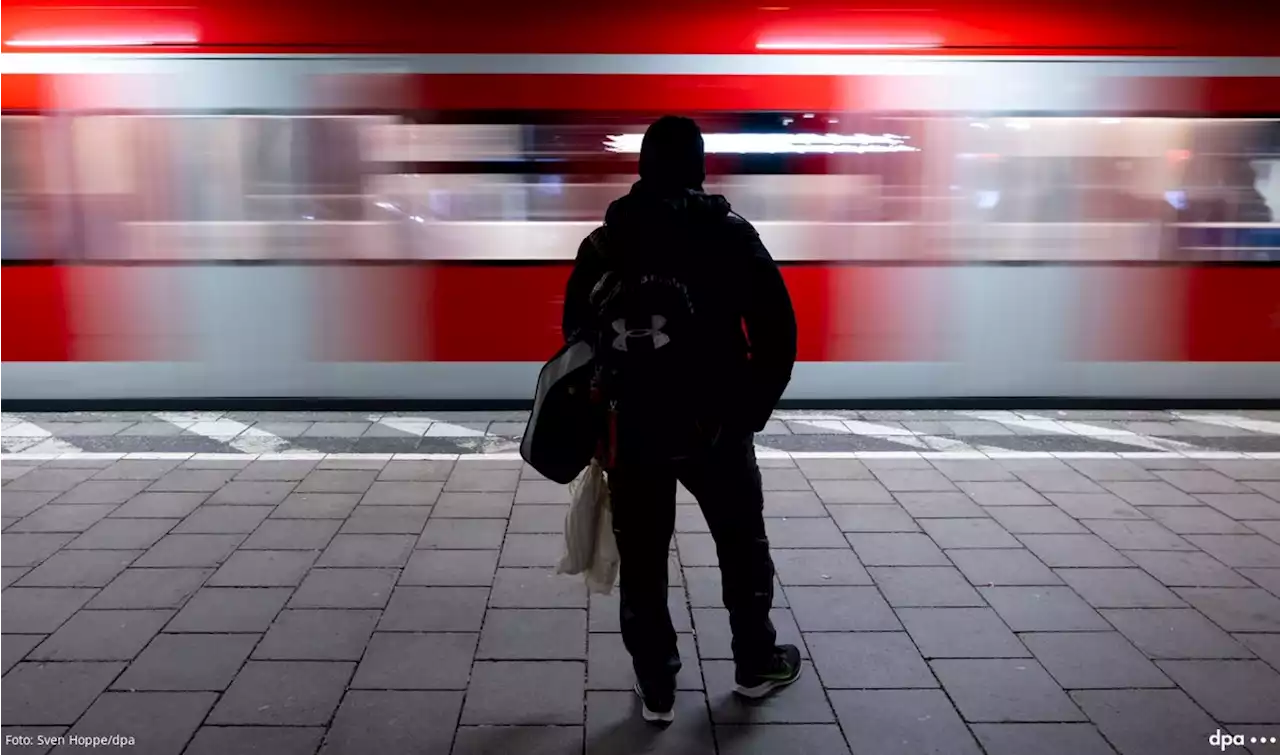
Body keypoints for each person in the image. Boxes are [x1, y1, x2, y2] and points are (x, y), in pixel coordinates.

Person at [561, 116, 800, 724]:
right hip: (716, 424)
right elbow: (778, 329)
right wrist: (751, 409)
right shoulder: (730, 235)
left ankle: (657, 685)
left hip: (633, 427)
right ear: (699, 166)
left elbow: (575, 338)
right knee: (741, 544)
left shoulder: (605, 243)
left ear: (641, 167)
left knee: (642, 558)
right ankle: (754, 664)